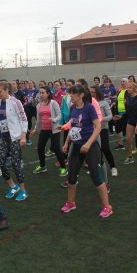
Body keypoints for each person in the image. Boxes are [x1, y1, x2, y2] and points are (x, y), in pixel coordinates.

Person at [60, 84, 113, 218]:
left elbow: (98, 127)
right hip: (77, 145)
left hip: (91, 145)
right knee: (71, 176)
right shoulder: (73, 108)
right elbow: (73, 126)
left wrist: (89, 143)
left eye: (72, 93)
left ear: (81, 95)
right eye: (70, 93)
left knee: (96, 176)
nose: (70, 96)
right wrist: (67, 142)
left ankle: (107, 207)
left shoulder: (89, 108)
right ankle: (71, 203)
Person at [0, 81, 29, 201]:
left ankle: (23, 190)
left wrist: (23, 136)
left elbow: (23, 119)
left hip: (14, 137)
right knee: (0, 162)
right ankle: (12, 186)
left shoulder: (16, 102)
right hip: (2, 138)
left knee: (15, 163)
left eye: (0, 91)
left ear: (7, 90)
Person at [31, 86, 67, 176]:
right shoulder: (39, 105)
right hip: (44, 129)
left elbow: (59, 115)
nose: (41, 94)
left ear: (48, 94)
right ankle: (43, 166)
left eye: (43, 93)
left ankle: (63, 168)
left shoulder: (53, 103)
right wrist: (35, 128)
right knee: (40, 148)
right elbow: (38, 119)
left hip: (54, 129)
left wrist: (54, 119)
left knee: (56, 148)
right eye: (40, 93)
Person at [90, 85, 117, 176]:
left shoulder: (103, 103)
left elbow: (110, 116)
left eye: (93, 92)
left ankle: (113, 167)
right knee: (96, 150)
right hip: (92, 130)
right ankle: (98, 168)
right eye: (90, 92)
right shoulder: (88, 103)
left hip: (102, 128)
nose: (91, 94)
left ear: (97, 93)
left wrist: (102, 119)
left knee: (105, 148)